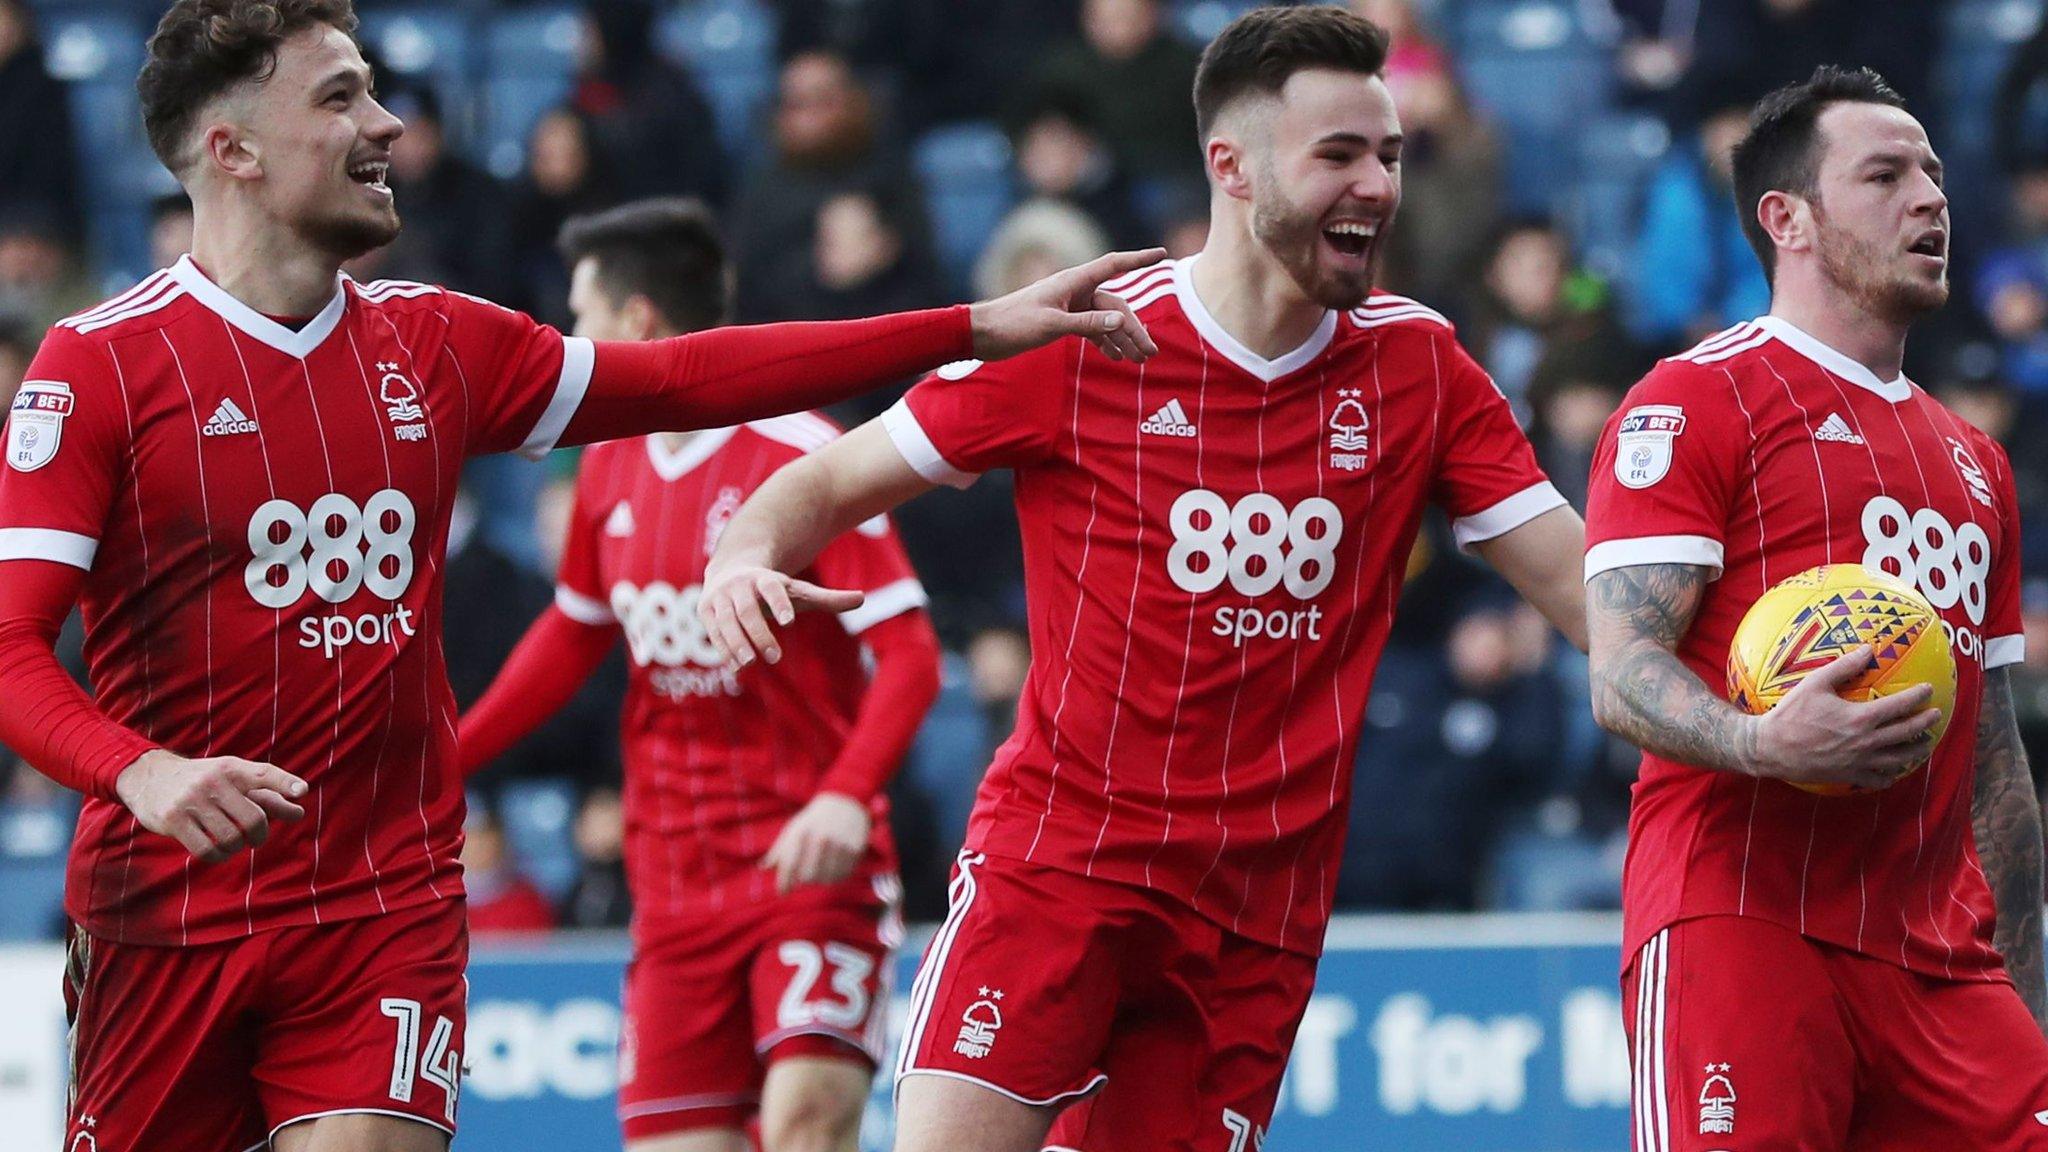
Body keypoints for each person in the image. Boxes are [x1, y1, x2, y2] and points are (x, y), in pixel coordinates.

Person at [0, 2, 1164, 1150]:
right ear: (233, 147)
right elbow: (9, 649)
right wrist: (137, 770)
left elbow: (681, 378)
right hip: (167, 915)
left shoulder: (435, 342)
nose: (390, 123)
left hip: (380, 903)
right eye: (341, 95)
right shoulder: (97, 367)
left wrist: (968, 324)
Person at [697, 10, 1588, 1151]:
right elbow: (820, 482)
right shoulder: (1083, 343)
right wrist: (742, 554)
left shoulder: (1421, 366)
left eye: (1389, 156)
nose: (1374, 185)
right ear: (1230, 165)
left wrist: (1746, 712)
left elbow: (1587, 597)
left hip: (1249, 919)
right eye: (1338, 156)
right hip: (1059, 865)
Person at [1583, 66, 2048, 1150]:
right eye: (1884, 175)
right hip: (1741, 921)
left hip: (1940, 962)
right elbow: (1617, 672)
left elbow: (1992, 764)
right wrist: (1758, 739)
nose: (1928, 199)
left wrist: (2019, 997)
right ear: (1783, 219)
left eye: (1931, 174)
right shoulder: (1694, 399)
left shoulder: (1975, 464)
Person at [459, 198, 942, 1152]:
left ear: (637, 322)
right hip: (673, 879)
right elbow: (573, 631)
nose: (570, 338)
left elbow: (914, 655)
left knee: (807, 1126)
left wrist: (847, 796)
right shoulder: (606, 465)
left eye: (581, 315)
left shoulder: (803, 455)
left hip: (807, 865)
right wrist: (450, 753)